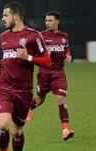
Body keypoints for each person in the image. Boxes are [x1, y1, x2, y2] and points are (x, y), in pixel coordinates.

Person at [0, 2, 51, 151]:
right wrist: (0, 65)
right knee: (3, 125)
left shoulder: (34, 36)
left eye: (5, 15)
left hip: (23, 91)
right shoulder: (2, 36)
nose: (2, 19)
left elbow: (47, 62)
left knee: (17, 132)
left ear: (16, 16)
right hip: (4, 88)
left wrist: (28, 57)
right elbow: (8, 58)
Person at [26, 11, 74, 141]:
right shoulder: (40, 36)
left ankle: (65, 130)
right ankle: (29, 109)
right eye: (46, 21)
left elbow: (66, 51)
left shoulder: (64, 36)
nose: (47, 23)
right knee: (40, 99)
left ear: (57, 22)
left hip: (58, 73)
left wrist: (68, 56)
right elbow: (33, 53)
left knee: (61, 100)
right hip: (44, 73)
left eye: (50, 20)